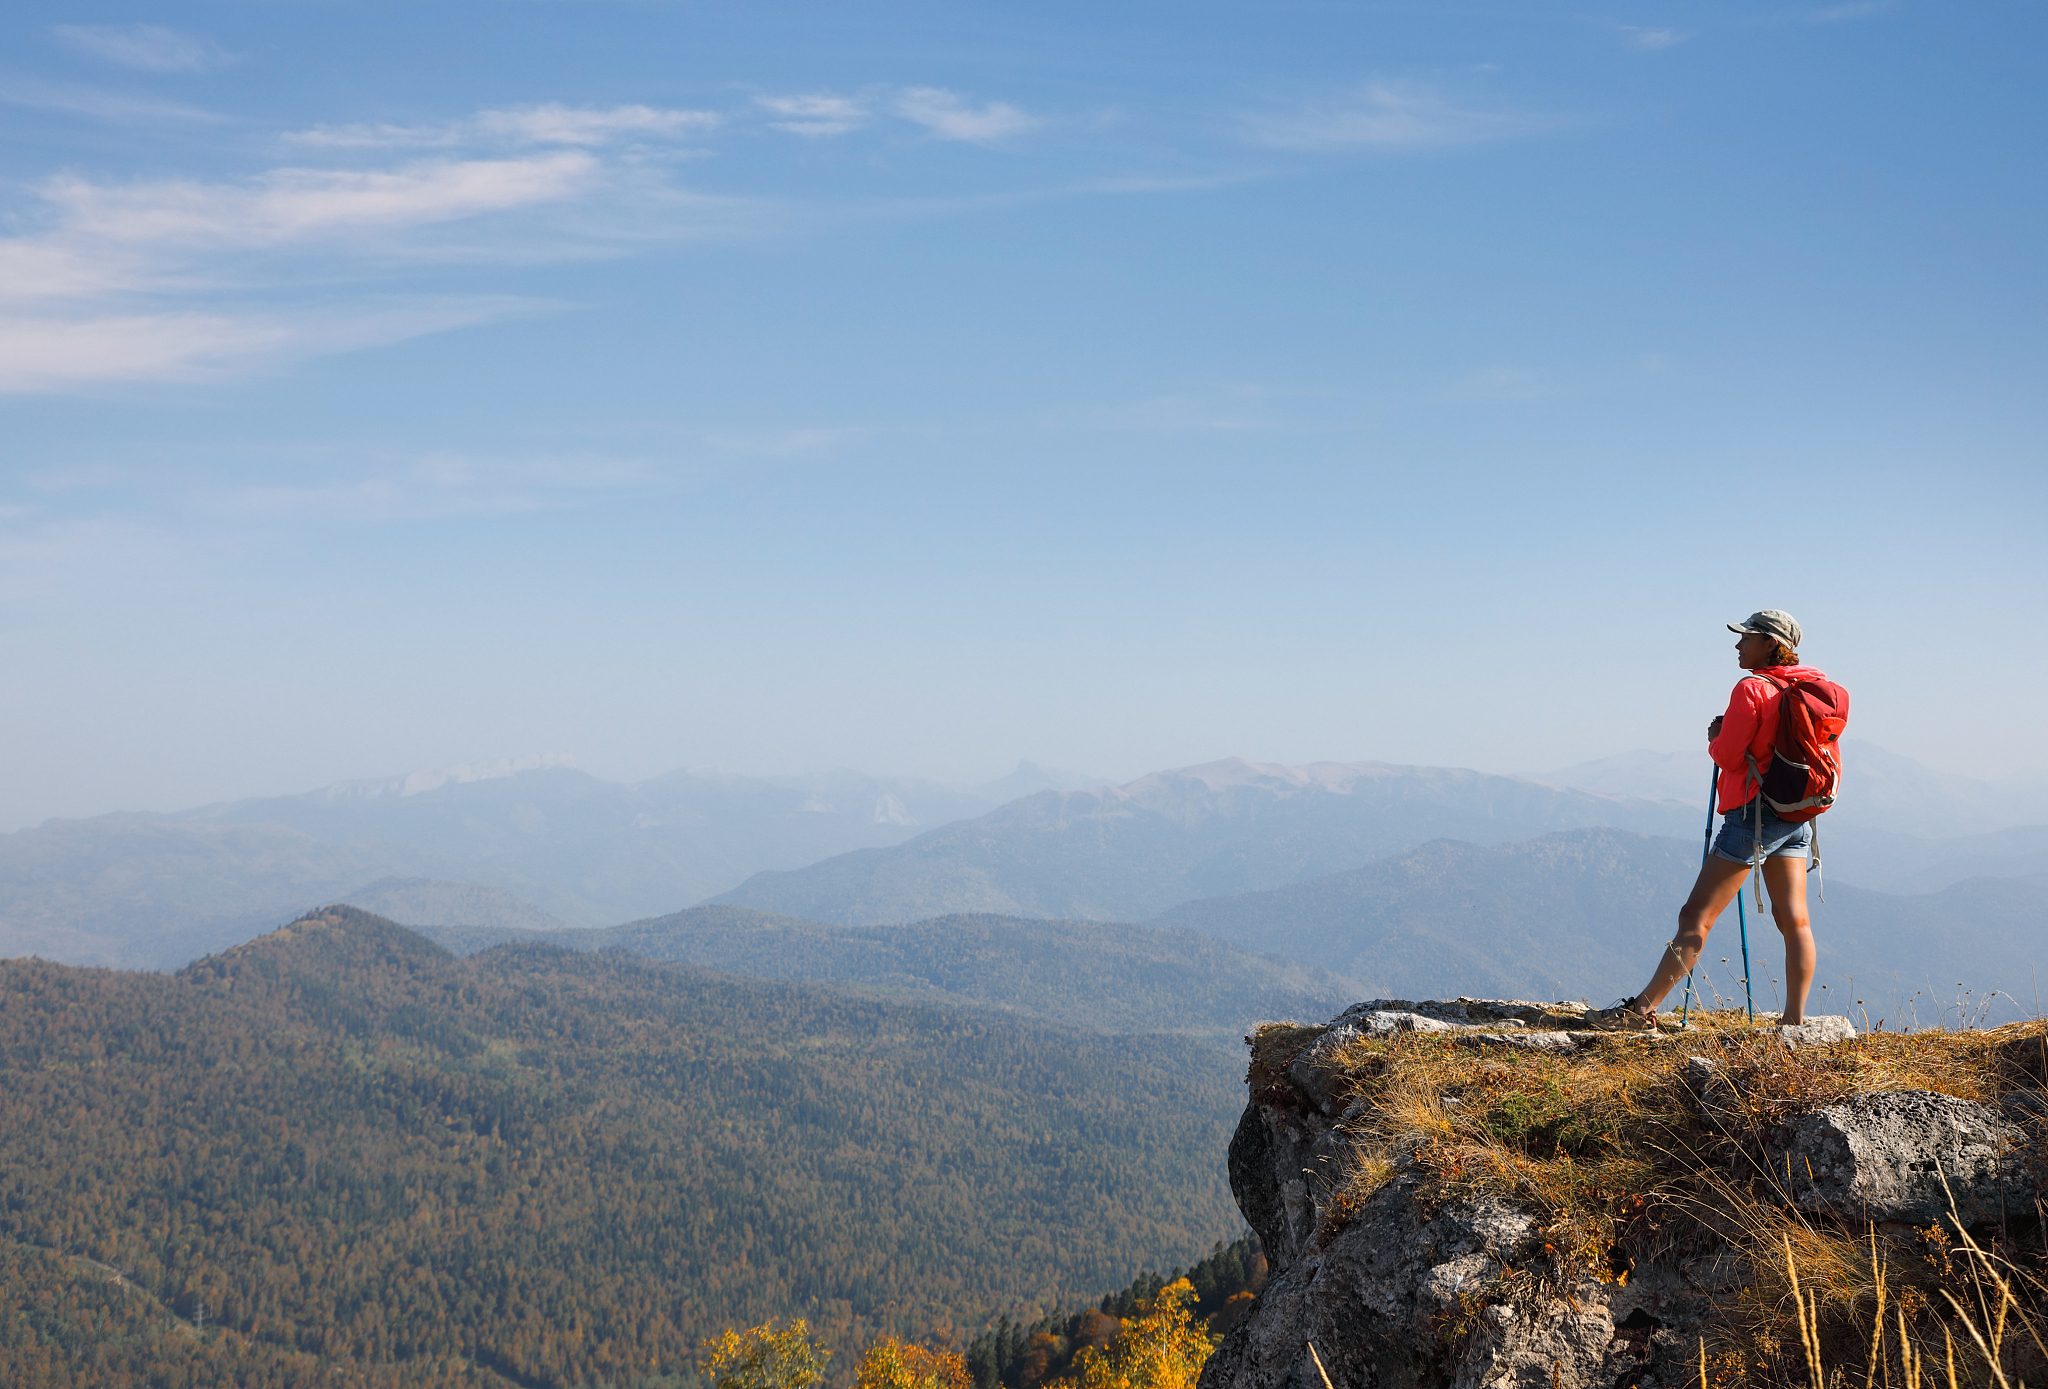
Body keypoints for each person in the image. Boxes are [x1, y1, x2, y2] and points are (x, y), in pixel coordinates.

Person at [1589, 610, 1828, 1031]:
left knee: (1695, 916)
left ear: (1770, 643)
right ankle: (1793, 1023)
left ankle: (1640, 1012)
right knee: (1795, 920)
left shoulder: (1752, 688)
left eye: (1746, 638)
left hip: (1752, 814)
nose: (1738, 646)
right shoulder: (1809, 685)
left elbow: (1730, 756)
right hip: (1795, 814)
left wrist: (1715, 737)